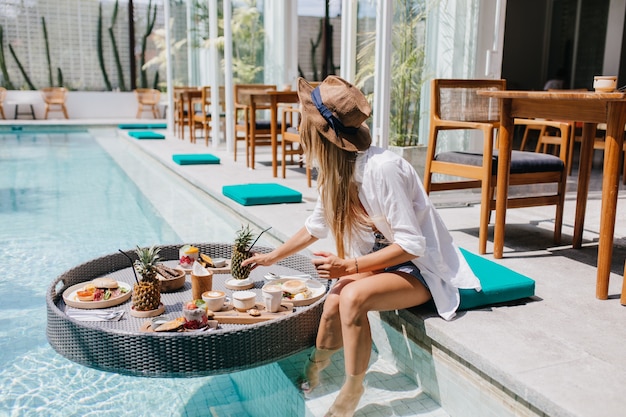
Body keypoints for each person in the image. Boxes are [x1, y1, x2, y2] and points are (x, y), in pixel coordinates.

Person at [242, 76, 481, 417]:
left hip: (420, 269)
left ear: (321, 134)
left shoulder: (384, 169)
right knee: (333, 301)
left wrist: (349, 267)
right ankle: (316, 366)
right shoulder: (335, 170)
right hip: (381, 266)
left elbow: (413, 245)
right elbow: (315, 227)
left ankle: (353, 390)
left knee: (352, 296)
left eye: (304, 123)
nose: (299, 128)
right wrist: (270, 257)